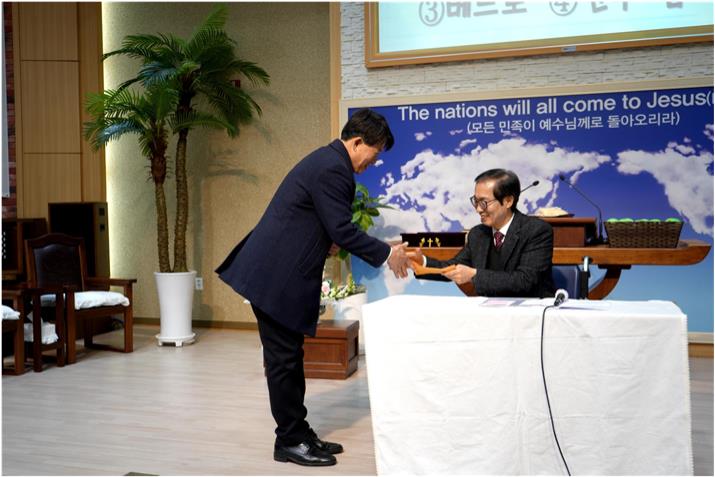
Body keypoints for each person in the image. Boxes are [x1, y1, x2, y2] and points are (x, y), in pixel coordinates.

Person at [215, 109, 410, 467]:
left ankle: (298, 432)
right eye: (375, 152)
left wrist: (326, 240)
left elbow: (320, 223)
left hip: (277, 274)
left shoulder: (328, 161)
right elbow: (342, 229)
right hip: (275, 277)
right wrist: (388, 253)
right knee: (284, 361)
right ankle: (289, 441)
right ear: (357, 142)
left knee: (290, 358)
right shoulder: (334, 168)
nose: (375, 161)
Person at [408, 168, 555, 297]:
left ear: (508, 201)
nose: (478, 209)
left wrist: (474, 274)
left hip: (530, 311)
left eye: (484, 202)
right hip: (490, 312)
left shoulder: (537, 231)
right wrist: (421, 262)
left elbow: (524, 280)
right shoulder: (478, 234)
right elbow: (453, 267)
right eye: (476, 201)